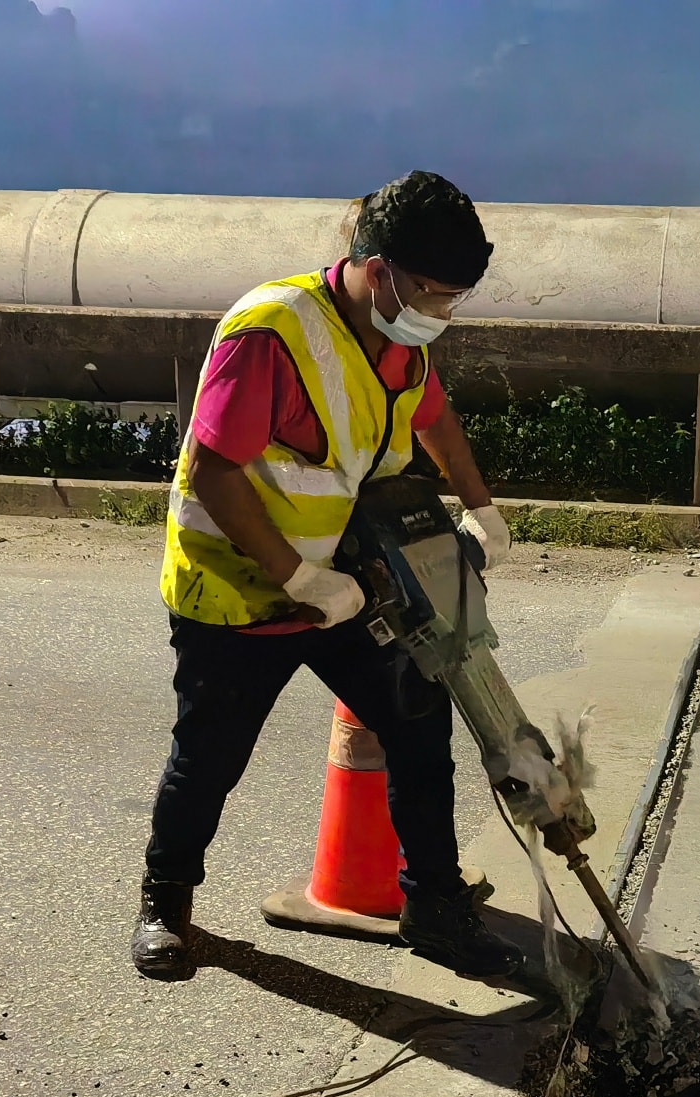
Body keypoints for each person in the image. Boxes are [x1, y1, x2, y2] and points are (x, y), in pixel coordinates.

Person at [131, 170, 521, 984]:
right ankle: (165, 903)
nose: (440, 313)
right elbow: (213, 470)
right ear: (378, 269)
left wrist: (481, 508)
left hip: (345, 580)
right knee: (208, 757)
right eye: (432, 292)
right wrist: (295, 577)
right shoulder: (272, 330)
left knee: (419, 727)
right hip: (238, 591)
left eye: (455, 298)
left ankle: (436, 908)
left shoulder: (396, 340)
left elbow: (434, 417)